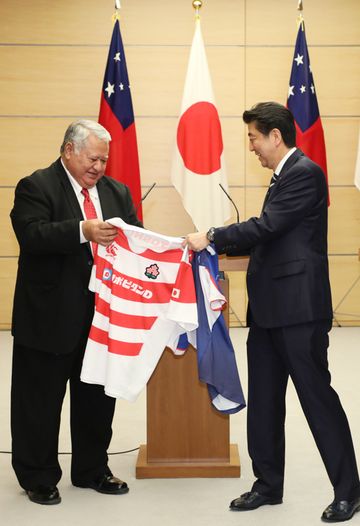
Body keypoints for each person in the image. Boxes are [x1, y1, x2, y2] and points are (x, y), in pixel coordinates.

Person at [184, 102, 360, 523]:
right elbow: (273, 235)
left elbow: (269, 226)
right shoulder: (284, 176)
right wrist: (226, 242)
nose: (251, 148)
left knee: (317, 399)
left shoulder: (305, 173)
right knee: (264, 401)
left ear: (275, 136)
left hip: (299, 310)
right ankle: (267, 485)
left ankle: (348, 492)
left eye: (253, 138)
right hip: (267, 311)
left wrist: (211, 236)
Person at [10, 119, 142, 505]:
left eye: (104, 160)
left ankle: (92, 469)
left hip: (103, 318)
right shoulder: (36, 185)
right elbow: (32, 235)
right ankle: (38, 476)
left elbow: (135, 240)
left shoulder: (117, 192)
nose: (99, 167)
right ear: (69, 150)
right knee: (39, 401)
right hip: (48, 315)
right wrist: (81, 230)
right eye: (93, 158)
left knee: (97, 399)